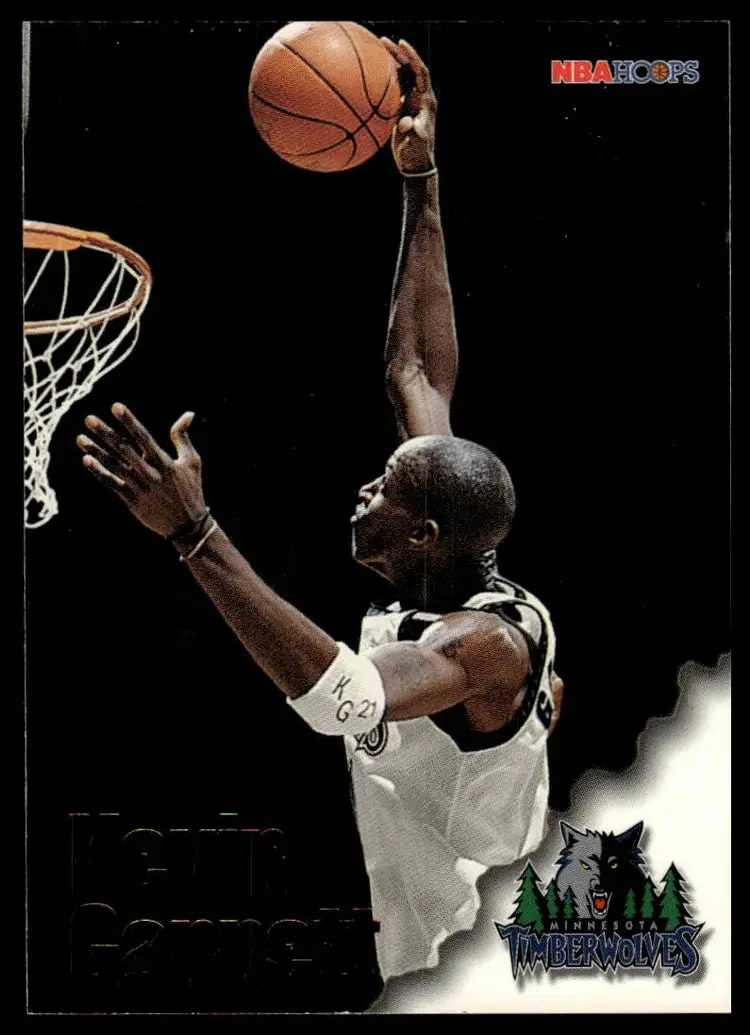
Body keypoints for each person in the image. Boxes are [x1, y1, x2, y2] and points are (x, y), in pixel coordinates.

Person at [76, 39, 563, 984]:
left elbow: (348, 701)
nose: (364, 489)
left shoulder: (484, 643)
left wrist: (194, 532)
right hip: (419, 903)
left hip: (473, 948)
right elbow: (417, 369)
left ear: (424, 536)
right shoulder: (453, 550)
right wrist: (420, 180)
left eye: (385, 490)